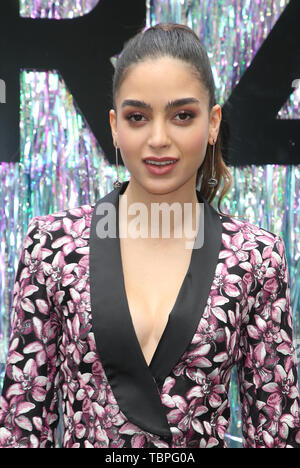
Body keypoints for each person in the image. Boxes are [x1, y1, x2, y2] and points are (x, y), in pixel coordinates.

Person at [0, 23, 299, 449]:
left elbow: (277, 431)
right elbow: (22, 429)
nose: (159, 139)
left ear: (213, 123)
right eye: (138, 117)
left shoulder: (254, 256)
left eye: (182, 115)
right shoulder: (53, 246)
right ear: (115, 127)